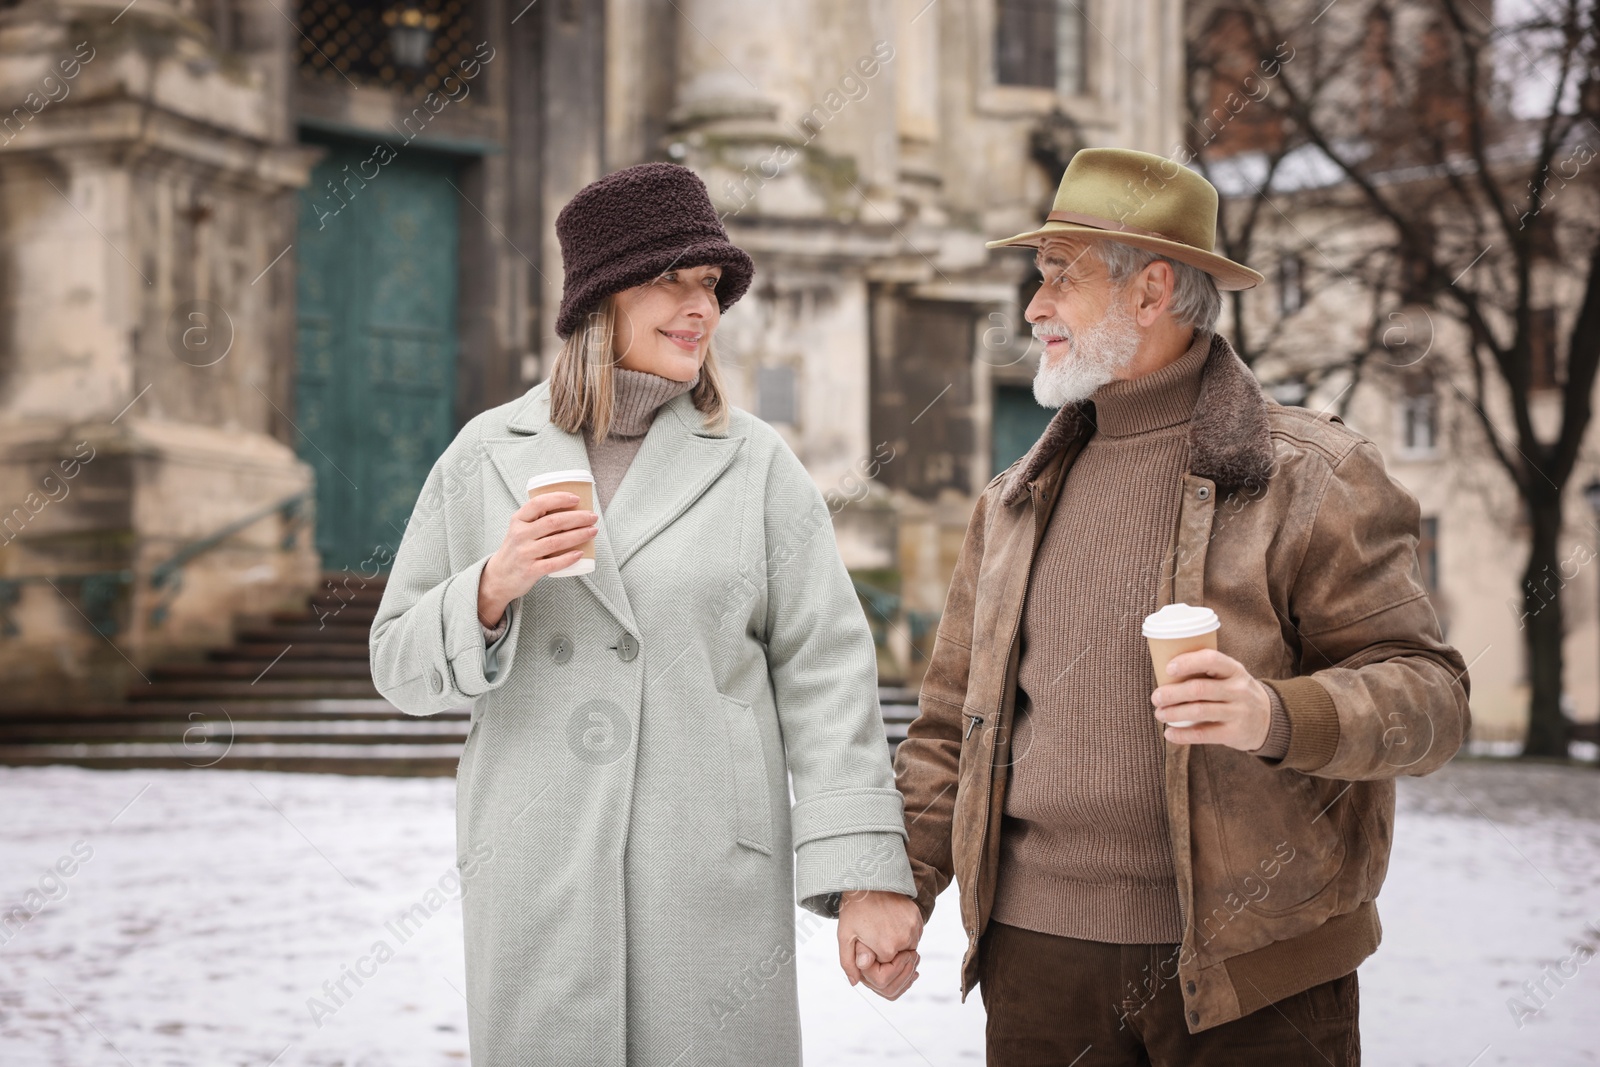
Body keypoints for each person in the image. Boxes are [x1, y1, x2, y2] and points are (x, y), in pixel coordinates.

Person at [852, 147, 1473, 1064]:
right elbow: (953, 727)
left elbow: (1432, 698)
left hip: (1255, 979)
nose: (1034, 307)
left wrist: (1275, 712)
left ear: (1150, 292)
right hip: (1038, 975)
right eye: (1038, 275)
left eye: (1061, 277)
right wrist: (900, 880)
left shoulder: (1313, 476)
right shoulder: (1011, 501)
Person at [369, 162, 921, 1066]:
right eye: (672, 279)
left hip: (707, 871)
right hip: (537, 870)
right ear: (600, 298)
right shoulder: (485, 453)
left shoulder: (756, 464)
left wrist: (861, 873)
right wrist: (491, 587)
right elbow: (397, 664)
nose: (701, 306)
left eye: (709, 284)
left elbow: (827, 671)